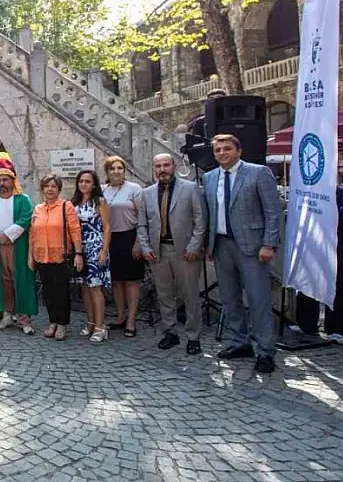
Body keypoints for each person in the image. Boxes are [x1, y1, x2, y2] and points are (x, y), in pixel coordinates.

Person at [204, 134, 282, 373]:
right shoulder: (209, 178)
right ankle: (240, 342)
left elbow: (273, 211)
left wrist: (269, 244)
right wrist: (208, 245)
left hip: (252, 246)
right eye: (217, 150)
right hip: (221, 245)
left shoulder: (258, 173)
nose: (222, 153)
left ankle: (265, 351)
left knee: (259, 299)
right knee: (229, 299)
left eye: (227, 149)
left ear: (238, 151)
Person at [137, 153, 207, 354]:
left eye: (166, 165)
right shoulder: (146, 193)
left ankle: (193, 336)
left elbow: (200, 221)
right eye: (158, 166)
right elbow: (142, 224)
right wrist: (145, 247)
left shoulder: (191, 188)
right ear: (154, 169)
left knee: (190, 295)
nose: (162, 169)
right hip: (158, 252)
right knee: (164, 295)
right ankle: (170, 332)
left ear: (173, 166)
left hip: (185, 251)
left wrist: (194, 246)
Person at [295, 178, 343, 344]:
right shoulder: (306, 192)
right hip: (312, 247)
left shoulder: (342, 192)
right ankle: (306, 324)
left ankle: (337, 328)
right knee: (307, 285)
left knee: (340, 290)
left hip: (338, 249)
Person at [0, 159, 36, 333]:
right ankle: (7, 313)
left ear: (12, 180)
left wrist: (9, 235)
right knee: (3, 279)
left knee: (19, 278)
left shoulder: (23, 199)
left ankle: (24, 318)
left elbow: (25, 218)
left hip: (17, 245)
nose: (1, 184)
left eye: (5, 180)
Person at [28, 173, 83, 340]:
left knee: (61, 291)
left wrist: (78, 254)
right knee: (48, 291)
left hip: (60, 255)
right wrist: (30, 256)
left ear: (58, 189)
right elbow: (32, 233)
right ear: (42, 189)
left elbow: (75, 230)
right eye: (47, 186)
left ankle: (62, 323)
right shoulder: (38, 208)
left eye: (53, 186)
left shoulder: (66, 207)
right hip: (41, 255)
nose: (50, 189)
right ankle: (52, 321)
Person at [101, 155, 144, 336]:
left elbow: (143, 216)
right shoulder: (103, 190)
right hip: (111, 238)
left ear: (124, 170)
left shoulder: (134, 189)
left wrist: (139, 242)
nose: (116, 172)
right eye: (112, 169)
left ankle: (131, 320)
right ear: (107, 172)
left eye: (120, 168)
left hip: (130, 236)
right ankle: (120, 317)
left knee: (131, 281)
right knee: (116, 281)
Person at [71, 170, 112, 342]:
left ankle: (101, 326)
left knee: (95, 287)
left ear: (94, 184)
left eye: (87, 181)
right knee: (84, 287)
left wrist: (104, 251)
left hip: (96, 247)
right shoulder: (74, 203)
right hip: (80, 249)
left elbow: (107, 227)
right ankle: (90, 321)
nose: (84, 184)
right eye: (81, 181)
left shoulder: (99, 201)